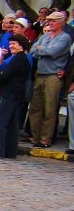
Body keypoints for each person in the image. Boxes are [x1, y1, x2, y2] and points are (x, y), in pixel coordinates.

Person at [29, 11, 72, 148]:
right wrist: (44, 49)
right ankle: (35, 136)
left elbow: (53, 53)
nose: (50, 23)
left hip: (53, 75)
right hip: (40, 74)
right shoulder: (45, 36)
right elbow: (32, 51)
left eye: (54, 21)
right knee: (36, 108)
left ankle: (45, 138)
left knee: (50, 108)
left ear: (61, 22)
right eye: (49, 21)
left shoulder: (64, 38)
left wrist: (42, 49)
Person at [0, 34, 32, 158]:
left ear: (21, 45)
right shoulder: (21, 58)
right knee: (12, 123)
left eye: (14, 44)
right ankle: (11, 151)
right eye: (10, 44)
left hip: (11, 94)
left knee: (1, 120)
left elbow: (7, 75)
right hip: (16, 93)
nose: (11, 46)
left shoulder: (19, 58)